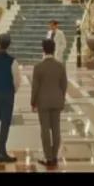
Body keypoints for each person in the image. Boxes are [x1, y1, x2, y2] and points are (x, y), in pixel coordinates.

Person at [31, 38, 67, 168]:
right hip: (57, 100)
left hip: (43, 102)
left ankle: (48, 157)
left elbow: (35, 87)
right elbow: (64, 85)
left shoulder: (38, 67)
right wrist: (61, 97)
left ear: (43, 50)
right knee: (56, 129)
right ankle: (55, 155)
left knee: (45, 129)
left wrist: (33, 102)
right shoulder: (60, 66)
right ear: (54, 49)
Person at [0, 33, 21, 163]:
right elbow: (16, 80)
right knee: (5, 122)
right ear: (9, 44)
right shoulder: (12, 61)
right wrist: (13, 90)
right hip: (7, 93)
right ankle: (2, 151)